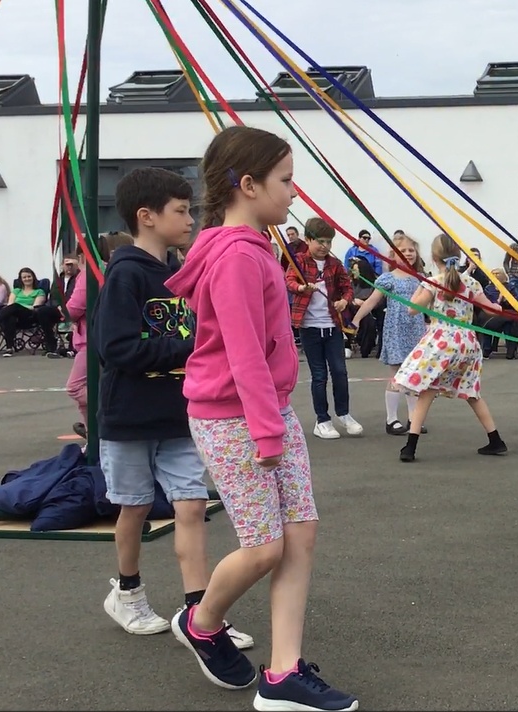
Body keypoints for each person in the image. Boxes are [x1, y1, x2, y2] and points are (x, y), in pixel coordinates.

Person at [165, 125, 358, 711]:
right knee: (265, 546)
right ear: (248, 185)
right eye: (286, 180)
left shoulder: (253, 248)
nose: (294, 192)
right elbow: (244, 353)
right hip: (235, 419)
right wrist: (268, 430)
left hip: (265, 411)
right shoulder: (235, 257)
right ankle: (201, 622)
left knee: (300, 533)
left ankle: (283, 673)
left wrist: (274, 420)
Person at [93, 167, 253, 652]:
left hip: (181, 413)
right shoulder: (124, 274)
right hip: (128, 416)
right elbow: (115, 347)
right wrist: (191, 347)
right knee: (135, 506)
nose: (189, 220)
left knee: (191, 504)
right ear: (147, 216)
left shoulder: (182, 273)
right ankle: (127, 592)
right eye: (181, 211)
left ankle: (201, 612)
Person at [394, 233, 507, 463]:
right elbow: (490, 309)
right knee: (471, 392)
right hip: (467, 344)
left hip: (442, 343)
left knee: (427, 391)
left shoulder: (433, 282)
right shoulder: (471, 282)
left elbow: (412, 309)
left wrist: (420, 286)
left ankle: (410, 447)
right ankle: (495, 439)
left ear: (434, 258)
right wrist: (500, 305)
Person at [287, 218, 363, 440]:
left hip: (332, 327)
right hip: (309, 328)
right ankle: (322, 420)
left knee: (340, 372)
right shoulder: (299, 261)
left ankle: (344, 414)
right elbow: (289, 281)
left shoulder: (335, 263)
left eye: (328, 242)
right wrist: (302, 287)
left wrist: (344, 301)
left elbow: (347, 287)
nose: (325, 246)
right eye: (320, 241)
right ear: (308, 239)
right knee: (319, 375)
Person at [350, 233, 428, 434]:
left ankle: (413, 418)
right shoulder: (388, 278)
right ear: (393, 255)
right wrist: (356, 319)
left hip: (416, 330)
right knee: (396, 374)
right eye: (403, 251)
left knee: (413, 375)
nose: (408, 254)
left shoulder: (421, 279)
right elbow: (372, 301)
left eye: (411, 250)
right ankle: (391, 419)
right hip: (396, 329)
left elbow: (428, 304)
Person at [66, 232, 133, 438]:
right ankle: (92, 433)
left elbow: (74, 308)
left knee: (76, 387)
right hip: (99, 336)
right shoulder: (107, 269)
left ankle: (110, 410)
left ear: (82, 255)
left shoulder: (88, 273)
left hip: (90, 339)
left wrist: (61, 311)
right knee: (89, 386)